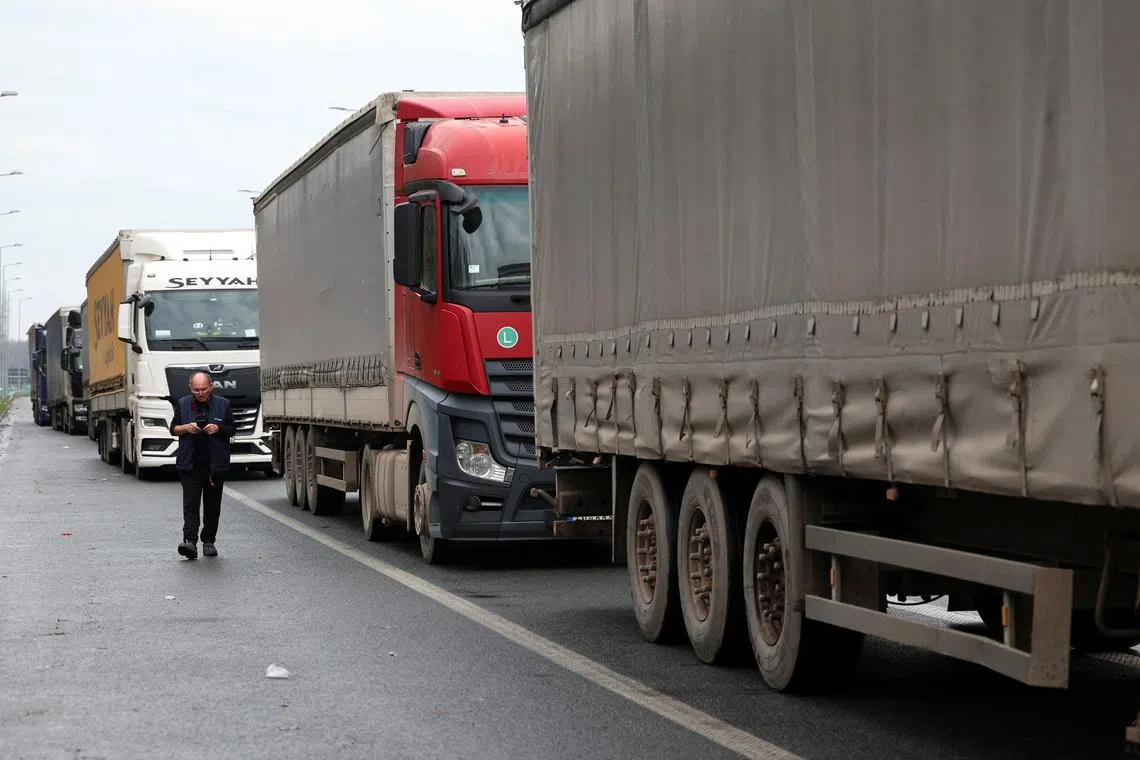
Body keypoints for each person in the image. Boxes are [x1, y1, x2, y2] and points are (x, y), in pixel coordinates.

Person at [169, 371, 235, 559]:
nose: (200, 393)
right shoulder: (182, 404)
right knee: (191, 505)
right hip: (190, 465)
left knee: (212, 506)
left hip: (215, 465)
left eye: (203, 389)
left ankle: (208, 541)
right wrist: (186, 428)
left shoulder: (223, 405)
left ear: (211, 387)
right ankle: (190, 542)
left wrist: (218, 429)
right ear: (191, 389)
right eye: (196, 390)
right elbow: (173, 429)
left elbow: (232, 429)